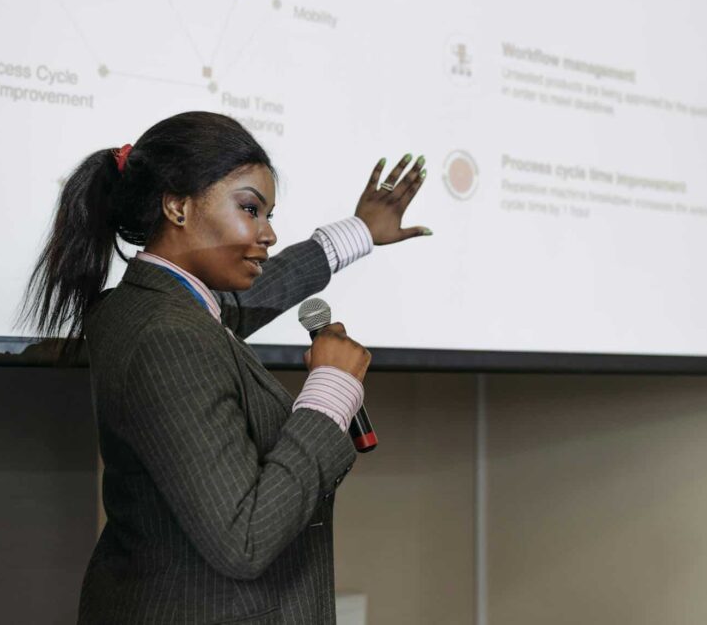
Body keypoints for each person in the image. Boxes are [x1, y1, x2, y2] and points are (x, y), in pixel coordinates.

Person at [22, 111, 430, 624]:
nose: (269, 234)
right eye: (251, 209)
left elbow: (256, 294)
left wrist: (360, 232)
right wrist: (329, 392)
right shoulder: (167, 335)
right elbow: (246, 538)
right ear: (177, 205)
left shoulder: (147, 306)